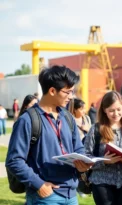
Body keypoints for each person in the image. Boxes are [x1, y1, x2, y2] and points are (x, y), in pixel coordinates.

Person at [6, 65, 92, 205]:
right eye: (68, 92)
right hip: (45, 197)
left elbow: (78, 149)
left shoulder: (68, 118)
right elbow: (14, 160)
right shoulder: (27, 120)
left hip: (71, 195)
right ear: (52, 91)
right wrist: (39, 184)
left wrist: (83, 163)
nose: (71, 96)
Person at [84, 91, 122, 205]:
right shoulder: (96, 129)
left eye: (119, 109)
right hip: (101, 182)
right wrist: (104, 161)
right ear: (104, 110)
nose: (116, 114)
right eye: (111, 110)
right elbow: (86, 157)